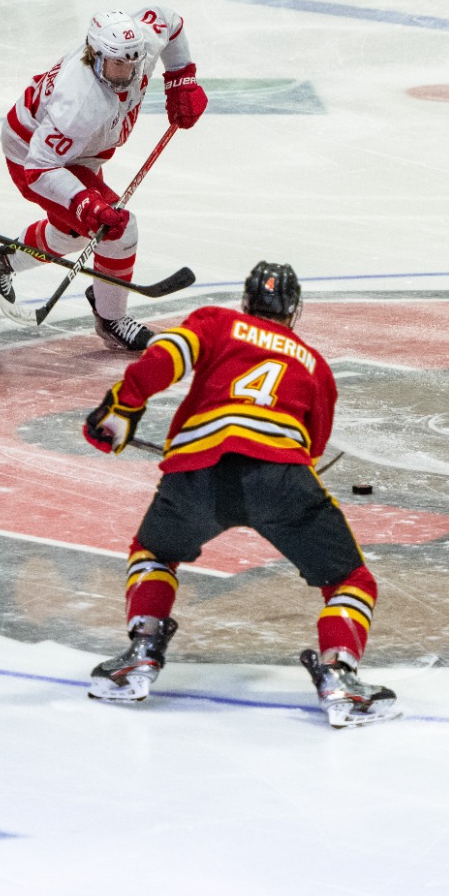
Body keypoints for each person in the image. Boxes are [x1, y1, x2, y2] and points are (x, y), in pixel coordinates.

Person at [81, 261, 399, 727]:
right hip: (282, 477)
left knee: (153, 553)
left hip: (198, 471)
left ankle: (141, 652)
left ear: (247, 301)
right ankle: (339, 675)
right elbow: (312, 445)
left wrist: (123, 407)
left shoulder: (218, 322)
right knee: (351, 581)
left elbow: (165, 356)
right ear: (292, 311)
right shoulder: (314, 364)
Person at [0, 6, 204, 349]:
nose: (127, 72)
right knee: (118, 230)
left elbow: (170, 21)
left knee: (73, 234)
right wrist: (85, 204)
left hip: (80, 152)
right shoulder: (78, 101)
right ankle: (111, 319)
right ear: (94, 54)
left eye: (132, 64)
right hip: (34, 153)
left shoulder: (137, 48)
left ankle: (2, 259)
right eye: (117, 64)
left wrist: (182, 80)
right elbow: (39, 168)